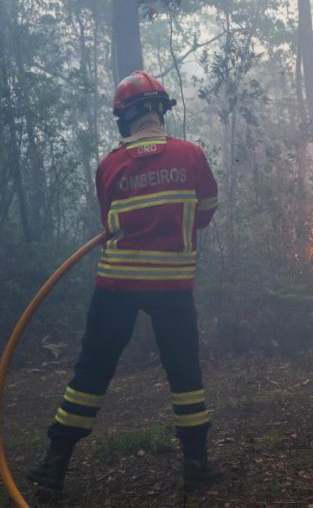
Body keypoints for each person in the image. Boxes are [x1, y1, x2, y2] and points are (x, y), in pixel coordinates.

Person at [27, 71, 220, 493]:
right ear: (161, 109)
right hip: (172, 286)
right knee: (184, 373)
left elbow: (107, 223)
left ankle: (54, 465)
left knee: (91, 372)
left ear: (124, 117)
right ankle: (196, 465)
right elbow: (205, 212)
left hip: (116, 284)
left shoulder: (110, 165)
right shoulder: (191, 155)